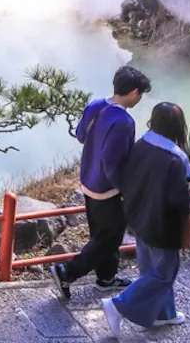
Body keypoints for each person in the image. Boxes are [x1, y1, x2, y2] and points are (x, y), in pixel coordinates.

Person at [52, 65, 152, 300]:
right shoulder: (124, 122)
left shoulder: (96, 106)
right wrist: (126, 189)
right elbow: (112, 161)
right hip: (107, 189)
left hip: (88, 180)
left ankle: (106, 278)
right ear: (134, 92)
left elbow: (81, 135)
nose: (139, 99)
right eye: (140, 94)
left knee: (100, 234)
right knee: (110, 238)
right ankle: (67, 272)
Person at [102, 102, 190, 334]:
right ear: (178, 126)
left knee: (149, 268)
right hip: (162, 225)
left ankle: (163, 315)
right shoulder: (176, 158)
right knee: (164, 273)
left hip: (137, 216)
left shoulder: (141, 144)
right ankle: (118, 305)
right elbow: (179, 201)